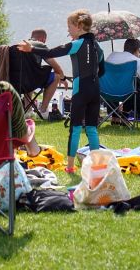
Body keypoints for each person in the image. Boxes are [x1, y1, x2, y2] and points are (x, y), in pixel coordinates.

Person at [19, 9, 103, 173]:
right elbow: (102, 67)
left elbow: (52, 52)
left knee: (76, 128)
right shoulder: (97, 46)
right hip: (95, 89)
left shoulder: (78, 44)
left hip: (81, 89)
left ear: (79, 26)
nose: (68, 30)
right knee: (92, 128)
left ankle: (70, 167)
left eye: (69, 27)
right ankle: (98, 165)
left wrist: (32, 49)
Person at [105, 38, 140, 117]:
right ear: (136, 50)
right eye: (139, 51)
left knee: (114, 81)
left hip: (108, 92)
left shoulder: (112, 55)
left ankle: (115, 117)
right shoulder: (137, 61)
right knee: (135, 85)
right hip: (127, 93)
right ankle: (125, 114)